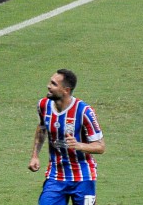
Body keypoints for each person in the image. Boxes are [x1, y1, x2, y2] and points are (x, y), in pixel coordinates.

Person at [28, 69, 105, 205]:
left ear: (66, 90)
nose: (48, 86)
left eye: (54, 84)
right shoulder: (43, 105)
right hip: (56, 175)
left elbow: (100, 146)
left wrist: (79, 145)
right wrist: (35, 155)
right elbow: (41, 128)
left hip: (83, 177)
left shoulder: (84, 111)